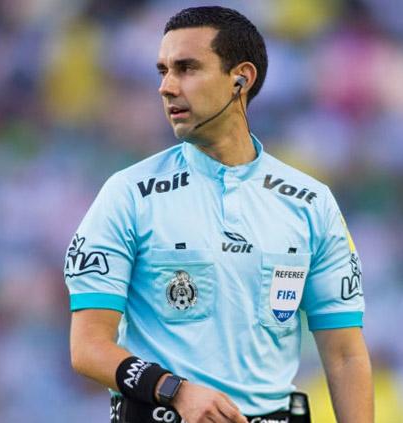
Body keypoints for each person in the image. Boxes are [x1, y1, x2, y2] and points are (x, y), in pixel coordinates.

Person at [65, 6, 373, 423]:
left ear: (241, 78)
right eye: (163, 71)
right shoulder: (128, 194)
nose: (167, 87)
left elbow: (345, 356)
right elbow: (88, 348)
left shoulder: (311, 203)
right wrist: (174, 390)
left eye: (187, 68)